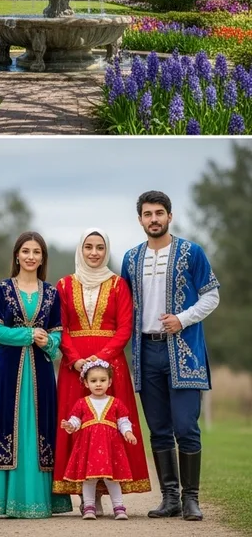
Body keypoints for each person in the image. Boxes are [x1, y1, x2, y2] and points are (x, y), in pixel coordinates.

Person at [121, 190, 220, 521]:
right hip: (145, 351)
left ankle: (191, 499)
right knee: (159, 428)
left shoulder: (192, 252)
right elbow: (123, 307)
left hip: (184, 351)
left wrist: (183, 318)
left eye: (159, 213)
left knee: (185, 426)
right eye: (147, 214)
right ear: (140, 220)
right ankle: (170, 498)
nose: (154, 219)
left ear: (170, 216)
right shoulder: (131, 259)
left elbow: (212, 296)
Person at [0, 231, 72, 518]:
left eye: (37, 252)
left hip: (41, 371)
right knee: (9, 424)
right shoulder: (1, 289)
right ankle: (7, 500)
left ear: (43, 258)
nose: (31, 257)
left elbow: (58, 336)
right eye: (26, 251)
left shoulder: (52, 293)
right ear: (17, 255)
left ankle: (42, 499)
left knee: (40, 427)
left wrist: (48, 342)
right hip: (9, 371)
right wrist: (30, 334)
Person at [53, 229, 150, 510]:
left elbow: (124, 328)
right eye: (88, 247)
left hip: (111, 367)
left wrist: (101, 360)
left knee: (109, 426)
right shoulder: (64, 285)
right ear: (80, 250)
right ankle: (87, 497)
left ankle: (108, 493)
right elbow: (63, 327)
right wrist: (75, 358)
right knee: (80, 426)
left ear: (106, 250)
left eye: (99, 247)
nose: (94, 253)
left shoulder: (118, 284)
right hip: (75, 367)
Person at [60, 359, 138, 520]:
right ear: (86, 383)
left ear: (109, 382)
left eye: (102, 380)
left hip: (110, 447)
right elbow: (76, 420)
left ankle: (119, 507)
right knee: (89, 479)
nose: (98, 384)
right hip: (88, 447)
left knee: (112, 478)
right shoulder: (82, 403)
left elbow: (123, 421)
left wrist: (128, 432)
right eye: (93, 381)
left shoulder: (115, 403)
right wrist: (70, 425)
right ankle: (89, 507)